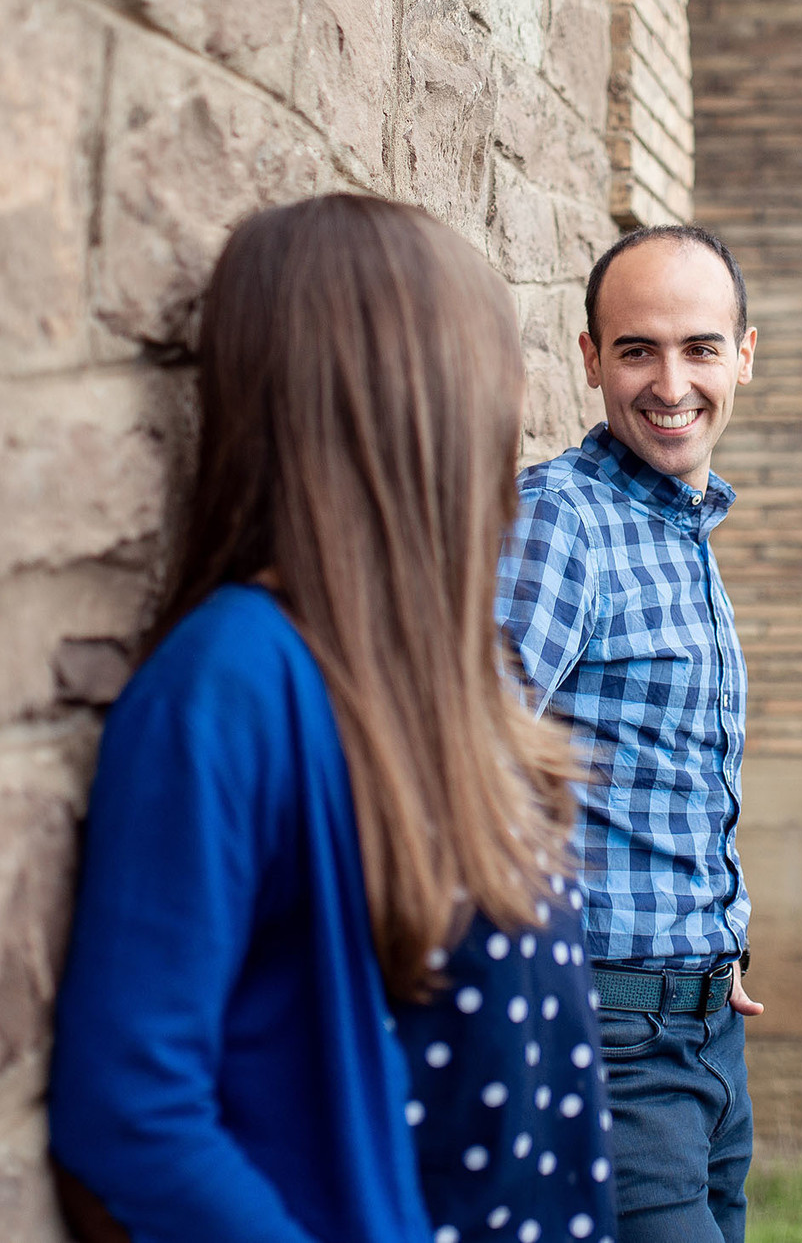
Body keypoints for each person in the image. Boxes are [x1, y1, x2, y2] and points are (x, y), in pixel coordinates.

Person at [49, 195, 618, 1243]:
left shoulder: (462, 674)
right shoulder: (231, 680)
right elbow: (131, 1116)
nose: (514, 419)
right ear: (418, 406)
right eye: (494, 380)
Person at [495, 225, 764, 1243]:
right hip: (610, 1039)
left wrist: (709, 936)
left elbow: (666, 778)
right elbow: (460, 763)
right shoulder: (562, 521)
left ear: (743, 354)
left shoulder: (683, 529)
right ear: (589, 359)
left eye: (699, 348)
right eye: (636, 349)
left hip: (710, 1030)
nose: (670, 382)